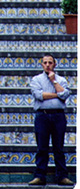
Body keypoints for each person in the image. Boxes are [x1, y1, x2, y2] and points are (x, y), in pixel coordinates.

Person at [29, 55, 73, 186]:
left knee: (58, 147)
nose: (47, 65)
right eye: (45, 63)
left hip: (58, 116)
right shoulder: (36, 79)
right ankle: (40, 176)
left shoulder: (61, 80)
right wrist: (57, 95)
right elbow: (39, 95)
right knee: (42, 147)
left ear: (55, 64)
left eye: (50, 62)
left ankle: (62, 176)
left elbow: (65, 95)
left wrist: (54, 81)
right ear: (42, 65)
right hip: (42, 116)